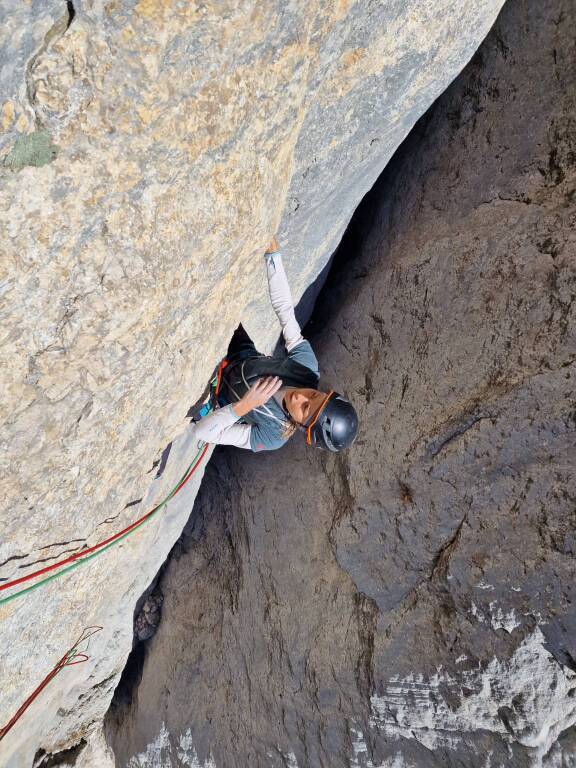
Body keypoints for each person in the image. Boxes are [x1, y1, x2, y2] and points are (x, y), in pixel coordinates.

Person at [192, 237, 358, 452]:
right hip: (240, 354)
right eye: (314, 395)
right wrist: (273, 258)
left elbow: (202, 433)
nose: (301, 396)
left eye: (305, 408)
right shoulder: (306, 368)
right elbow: (285, 312)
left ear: (302, 427)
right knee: (212, 300)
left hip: (217, 399)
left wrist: (243, 407)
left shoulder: (273, 435)